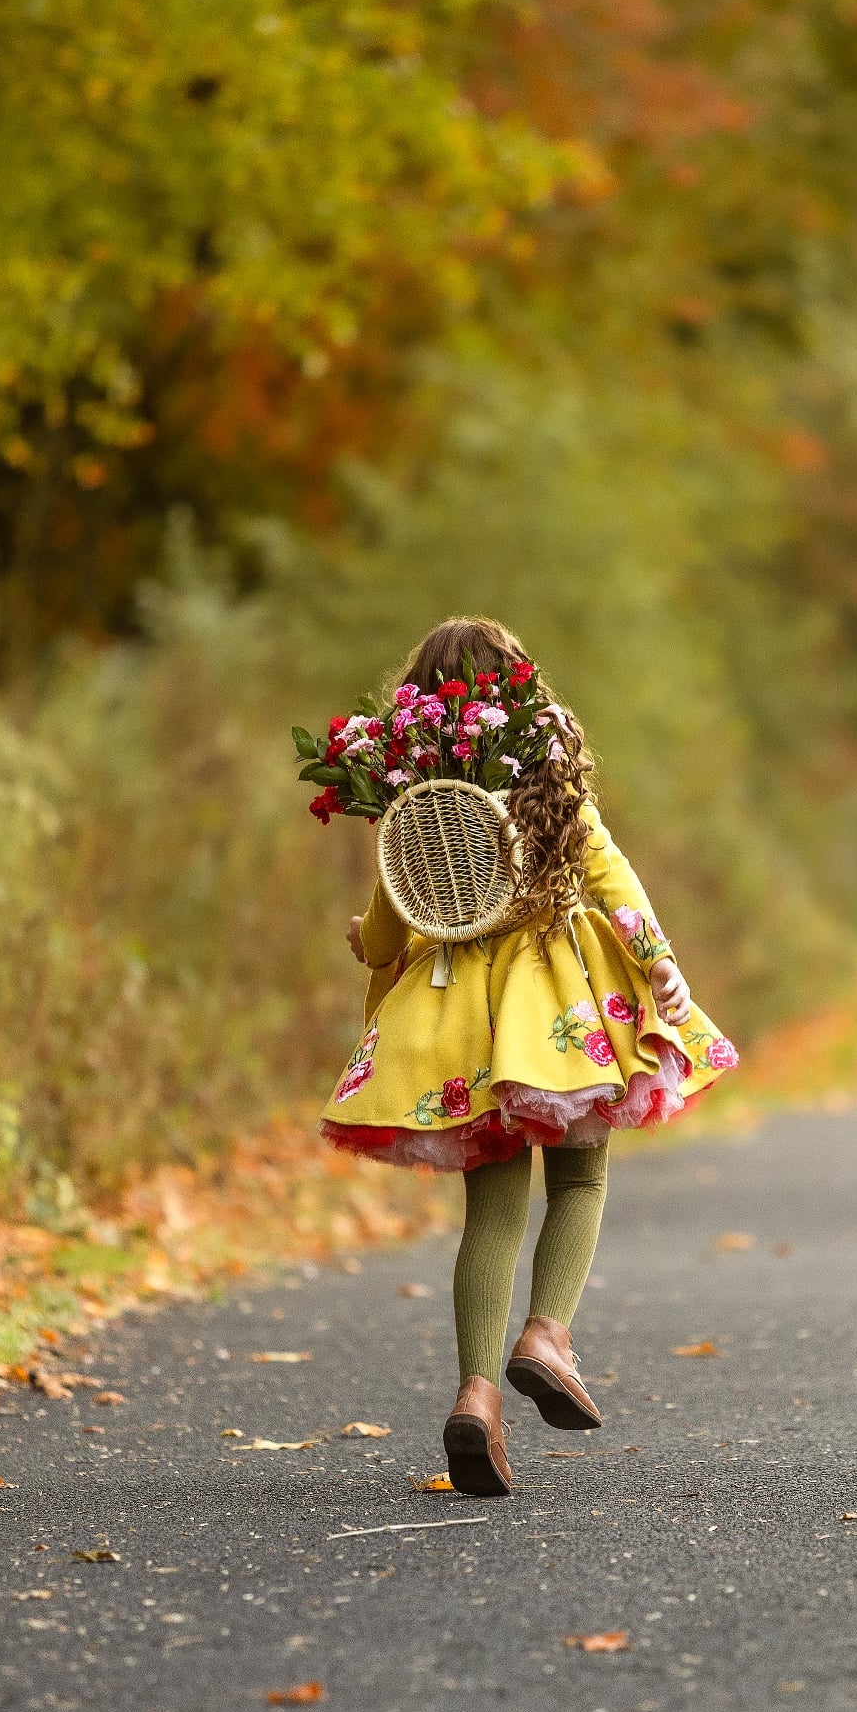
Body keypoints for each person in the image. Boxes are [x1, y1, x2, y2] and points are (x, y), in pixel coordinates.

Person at [318, 616, 738, 1495]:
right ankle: (546, 1334)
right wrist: (660, 964)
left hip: (464, 1019)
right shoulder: (545, 784)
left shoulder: (420, 803)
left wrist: (366, 939)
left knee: (491, 1216)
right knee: (580, 1181)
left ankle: (476, 1397)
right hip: (559, 1008)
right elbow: (610, 876)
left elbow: (392, 922)